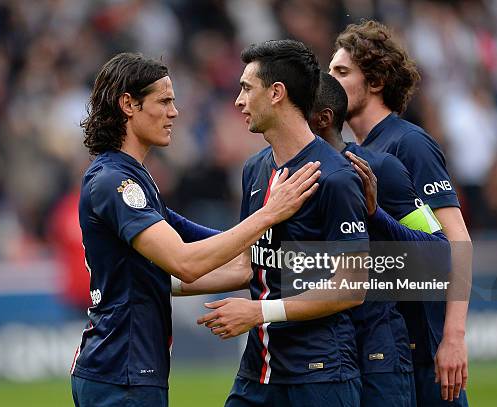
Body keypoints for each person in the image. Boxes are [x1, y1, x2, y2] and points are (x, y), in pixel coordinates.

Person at [70, 52, 321, 407]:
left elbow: (213, 246)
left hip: (127, 368)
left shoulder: (136, 179)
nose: (174, 112)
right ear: (129, 104)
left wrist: (281, 251)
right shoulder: (116, 182)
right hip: (120, 370)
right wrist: (268, 214)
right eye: (164, 101)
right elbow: (185, 262)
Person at [191, 39, 370, 407]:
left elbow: (352, 286)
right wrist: (161, 284)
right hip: (259, 371)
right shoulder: (254, 169)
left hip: (320, 372)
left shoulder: (335, 176)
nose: (238, 101)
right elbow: (247, 264)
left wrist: (258, 312)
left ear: (276, 93)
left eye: (246, 89)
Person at [329, 20, 472, 405]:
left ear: (375, 82)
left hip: (425, 352)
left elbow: (455, 240)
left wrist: (453, 339)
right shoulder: (353, 152)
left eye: (341, 72)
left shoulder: (409, 143)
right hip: (389, 349)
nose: (329, 82)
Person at [310, 72, 450, 406]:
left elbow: (440, 254)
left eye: (343, 70)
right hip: (317, 354)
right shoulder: (282, 175)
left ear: (323, 118)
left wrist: (376, 215)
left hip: (380, 350)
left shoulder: (380, 167)